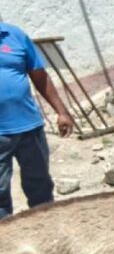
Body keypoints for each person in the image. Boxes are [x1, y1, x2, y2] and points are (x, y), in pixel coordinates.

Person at [0, 21, 74, 219]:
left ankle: (47, 230)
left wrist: (62, 112)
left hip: (29, 128)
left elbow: (40, 76)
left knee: (40, 185)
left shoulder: (15, 35)